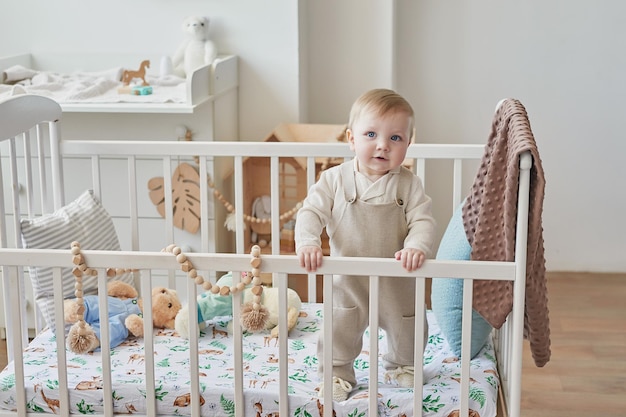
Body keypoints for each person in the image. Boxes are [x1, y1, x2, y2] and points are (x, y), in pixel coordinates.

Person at [295, 88, 436, 401]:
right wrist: (308, 242)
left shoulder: (408, 184)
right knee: (338, 328)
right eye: (371, 134)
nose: (383, 145)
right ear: (351, 138)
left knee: (407, 327)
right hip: (349, 281)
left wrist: (416, 246)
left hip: (397, 279)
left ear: (409, 144)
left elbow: (423, 221)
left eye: (395, 138)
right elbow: (310, 213)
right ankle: (336, 373)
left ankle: (403, 365)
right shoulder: (333, 180)